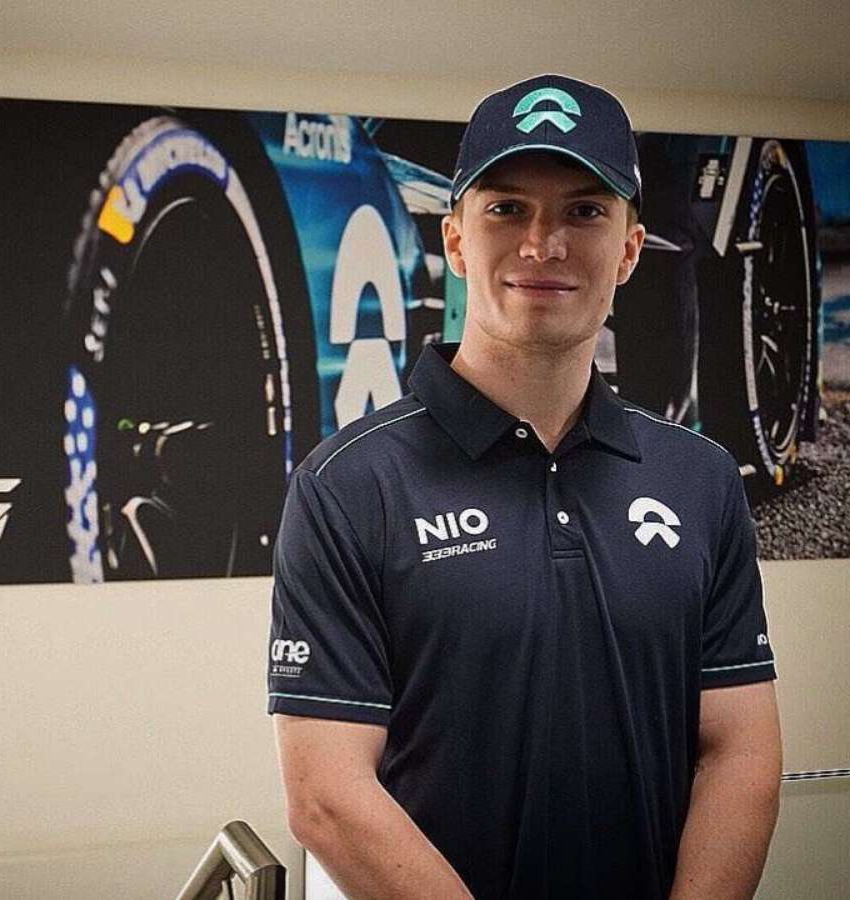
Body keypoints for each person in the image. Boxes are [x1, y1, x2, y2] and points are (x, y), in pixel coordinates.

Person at [267, 74, 781, 899]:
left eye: (585, 211)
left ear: (629, 250)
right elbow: (327, 798)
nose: (543, 245)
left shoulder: (700, 479)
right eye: (507, 209)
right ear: (456, 242)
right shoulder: (348, 486)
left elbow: (739, 752)